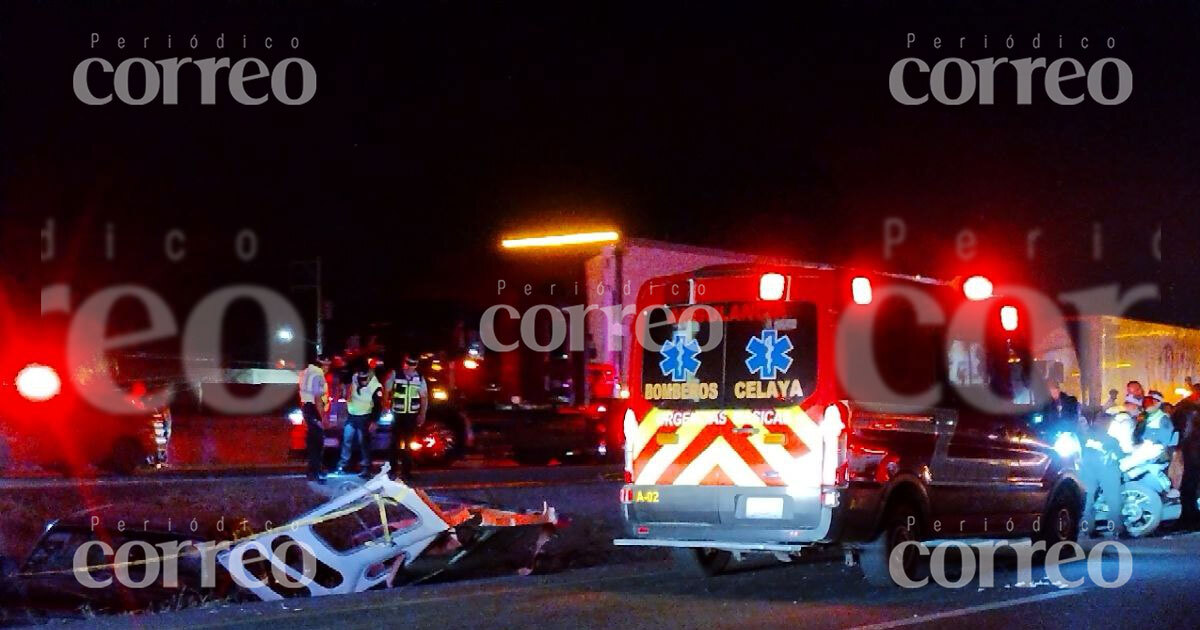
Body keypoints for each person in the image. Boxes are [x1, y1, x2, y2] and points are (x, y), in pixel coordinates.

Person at [1079, 411, 1128, 538]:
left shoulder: (1084, 437)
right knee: (1113, 500)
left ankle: (1086, 529)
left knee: (1087, 500)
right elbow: (1120, 455)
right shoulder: (1111, 440)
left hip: (1087, 470)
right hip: (1108, 470)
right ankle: (1117, 529)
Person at [335, 359, 382, 478]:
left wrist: (374, 421)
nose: (363, 382)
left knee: (363, 443)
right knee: (347, 440)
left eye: (364, 379)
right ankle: (343, 465)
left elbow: (378, 406)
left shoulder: (375, 385)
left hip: (365, 417)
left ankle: (366, 467)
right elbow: (344, 378)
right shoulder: (354, 377)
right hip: (352, 415)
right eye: (361, 379)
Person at [388, 353, 428, 481]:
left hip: (411, 415)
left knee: (408, 444)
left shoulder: (420, 378)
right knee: (394, 443)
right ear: (404, 363)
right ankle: (393, 470)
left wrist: (422, 414)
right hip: (398, 414)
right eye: (409, 363)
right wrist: (386, 406)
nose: (411, 367)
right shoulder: (396, 374)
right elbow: (386, 390)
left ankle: (406, 471)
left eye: (413, 364)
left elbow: (424, 397)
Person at [298, 355, 331, 483]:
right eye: (328, 365)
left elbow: (301, 394)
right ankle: (315, 472)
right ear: (324, 364)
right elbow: (318, 398)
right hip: (314, 410)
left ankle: (312, 471)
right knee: (317, 443)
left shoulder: (305, 372)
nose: (328, 369)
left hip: (307, 408)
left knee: (312, 442)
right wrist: (323, 417)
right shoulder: (318, 375)